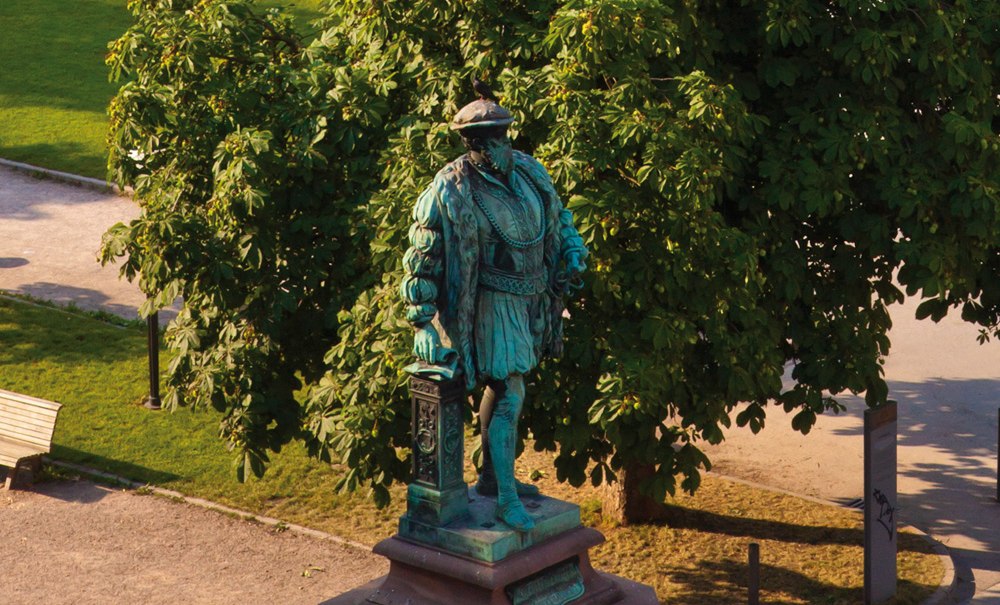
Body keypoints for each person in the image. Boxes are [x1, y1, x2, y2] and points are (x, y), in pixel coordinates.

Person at [401, 84, 587, 531]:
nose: (501, 146)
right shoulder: (448, 189)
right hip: (488, 304)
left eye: (503, 136)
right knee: (510, 392)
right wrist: (422, 322)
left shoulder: (529, 171)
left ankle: (488, 477)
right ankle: (505, 499)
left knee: (502, 387)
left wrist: (573, 249)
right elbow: (421, 259)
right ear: (473, 144)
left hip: (531, 298)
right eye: (489, 140)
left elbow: (560, 217)